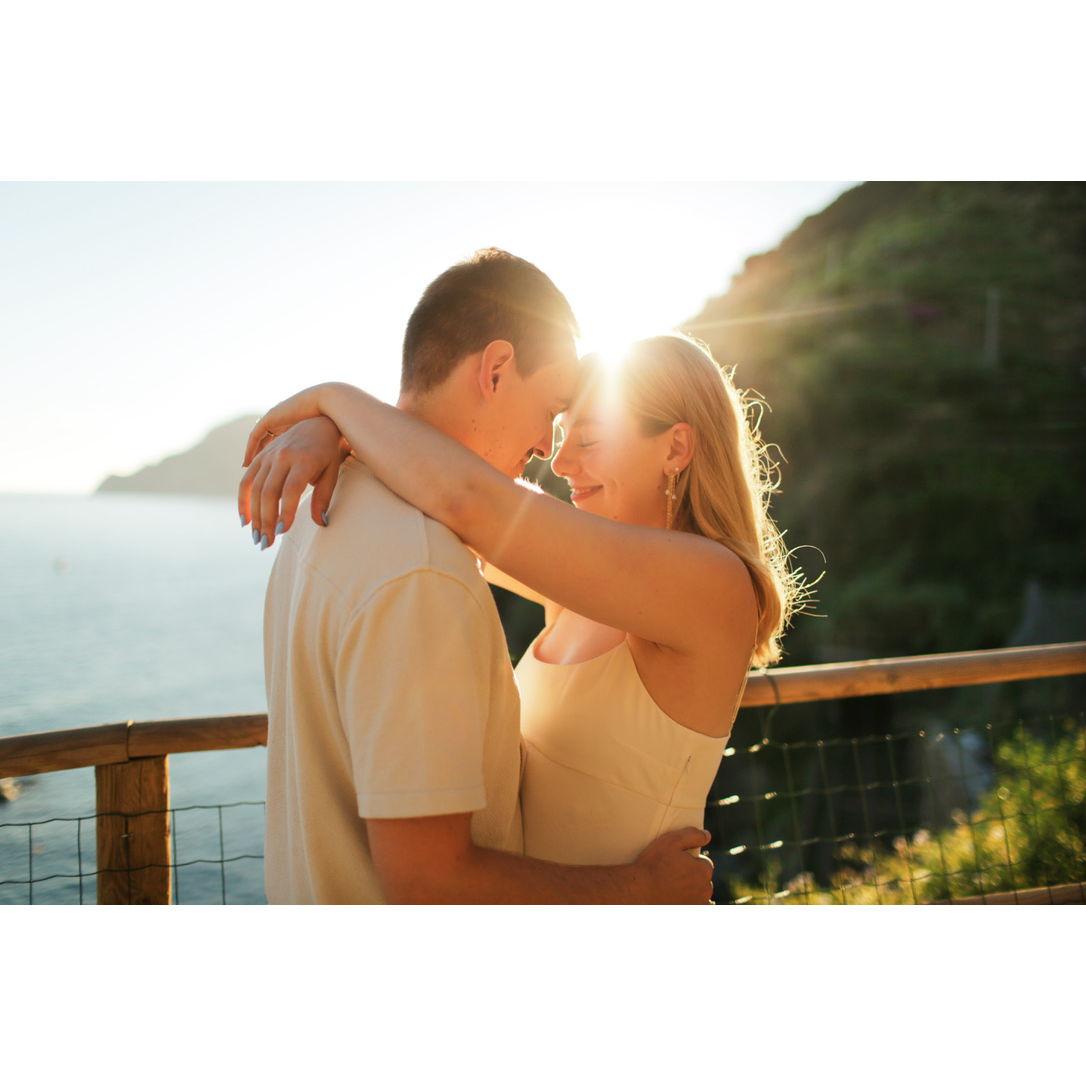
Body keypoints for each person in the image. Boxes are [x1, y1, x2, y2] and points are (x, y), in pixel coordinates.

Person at [243, 320, 805, 880]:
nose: (558, 465)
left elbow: (469, 497)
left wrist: (334, 400)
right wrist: (334, 435)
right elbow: (439, 483)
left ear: (676, 446)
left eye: (587, 441)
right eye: (561, 439)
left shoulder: (711, 584)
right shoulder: (579, 583)